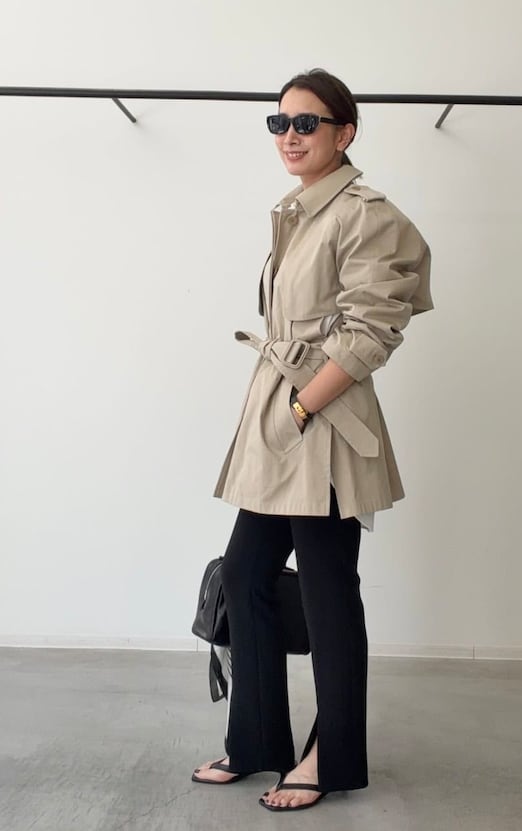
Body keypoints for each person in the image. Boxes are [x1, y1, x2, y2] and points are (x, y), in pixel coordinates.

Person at [192, 68, 433, 812]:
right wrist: (282, 415)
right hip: (281, 421)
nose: (289, 136)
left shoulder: (365, 214)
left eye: (306, 123)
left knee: (329, 592)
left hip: (322, 426)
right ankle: (257, 740)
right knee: (244, 573)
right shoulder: (300, 210)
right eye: (280, 123)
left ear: (344, 132)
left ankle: (331, 757)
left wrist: (300, 408)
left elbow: (372, 330)